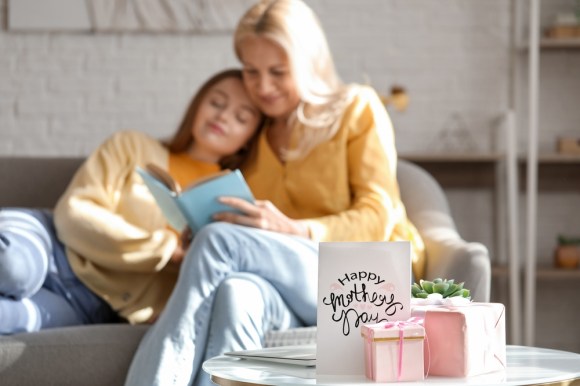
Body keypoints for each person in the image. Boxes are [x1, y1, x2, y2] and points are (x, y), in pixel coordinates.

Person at [124, 1, 426, 386]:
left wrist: (296, 230)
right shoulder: (255, 136)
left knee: (220, 243)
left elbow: (376, 215)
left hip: (366, 279)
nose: (262, 87)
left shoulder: (355, 108)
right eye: (251, 72)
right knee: (236, 293)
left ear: (309, 61)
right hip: (292, 290)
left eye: (278, 72)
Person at [0, 69, 263, 334]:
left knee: (8, 318)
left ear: (249, 139)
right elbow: (74, 213)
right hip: (50, 242)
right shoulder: (131, 145)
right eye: (216, 103)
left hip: (90, 303)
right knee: (12, 267)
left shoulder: (234, 202)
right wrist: (166, 250)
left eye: (241, 117)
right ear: (197, 106)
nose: (223, 116)